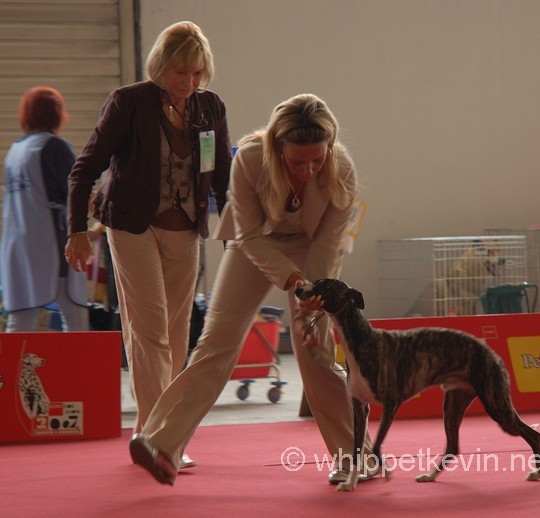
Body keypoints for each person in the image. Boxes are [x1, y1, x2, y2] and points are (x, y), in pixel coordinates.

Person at [129, 93, 375, 487]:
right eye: (298, 161)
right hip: (254, 245)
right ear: (278, 147)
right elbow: (247, 235)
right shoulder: (249, 159)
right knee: (216, 344)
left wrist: (313, 294)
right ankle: (160, 444)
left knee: (316, 353)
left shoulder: (341, 169)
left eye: (318, 159)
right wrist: (292, 281)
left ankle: (359, 457)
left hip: (314, 253)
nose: (310, 169)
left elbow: (328, 244)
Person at [64, 21, 232, 469]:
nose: (189, 82)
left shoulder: (210, 108)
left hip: (186, 229)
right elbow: (85, 168)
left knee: (177, 336)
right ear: (162, 66)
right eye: (181, 73)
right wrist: (77, 230)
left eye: (197, 73)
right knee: (151, 329)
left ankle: (156, 428)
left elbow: (223, 176)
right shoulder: (129, 102)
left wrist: (237, 226)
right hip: (132, 227)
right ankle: (157, 435)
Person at [0, 86, 89, 332]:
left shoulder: (16, 151)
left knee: (20, 318)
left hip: (18, 248)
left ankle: (12, 369)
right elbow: (75, 194)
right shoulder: (54, 147)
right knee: (75, 314)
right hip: (50, 248)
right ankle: (77, 369)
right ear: (57, 114)